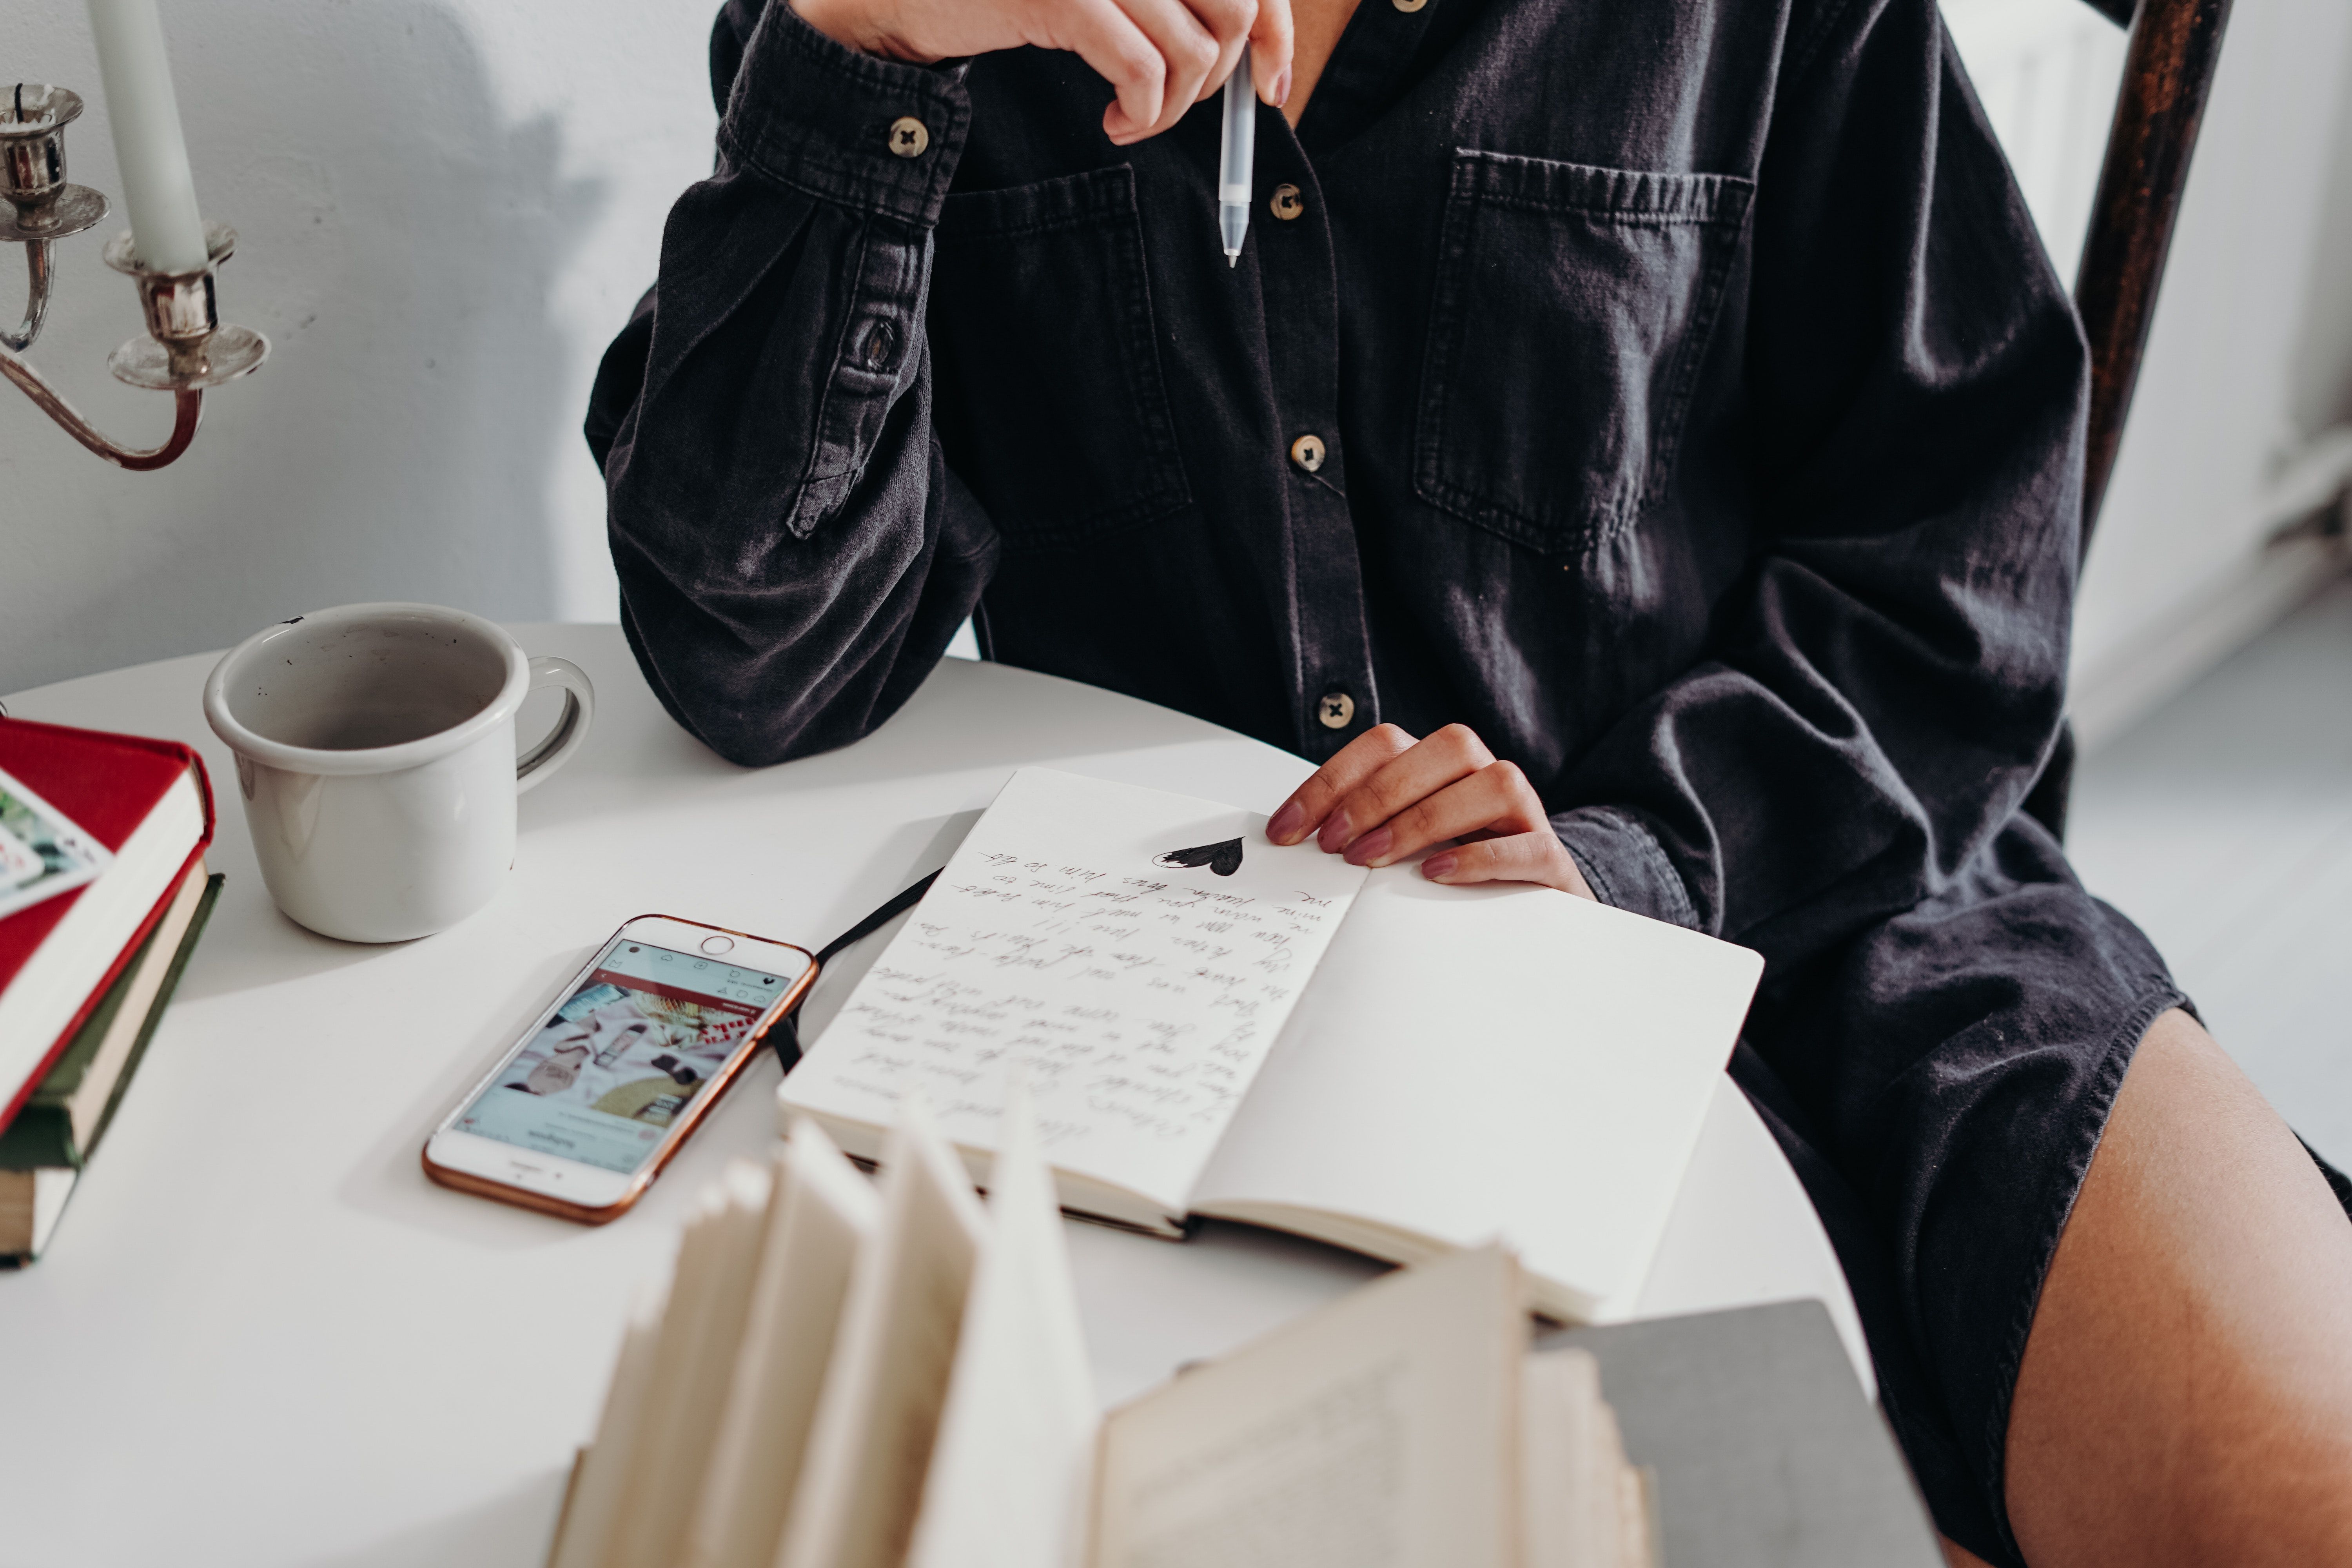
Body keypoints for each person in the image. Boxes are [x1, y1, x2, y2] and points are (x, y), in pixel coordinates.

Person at [584, 0, 2352, 1561]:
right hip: (1291, 1075)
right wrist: (866, 58)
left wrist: (1626, 861)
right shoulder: (920, 22)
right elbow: (765, 663)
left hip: (1868, 921)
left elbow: (1960, 573)